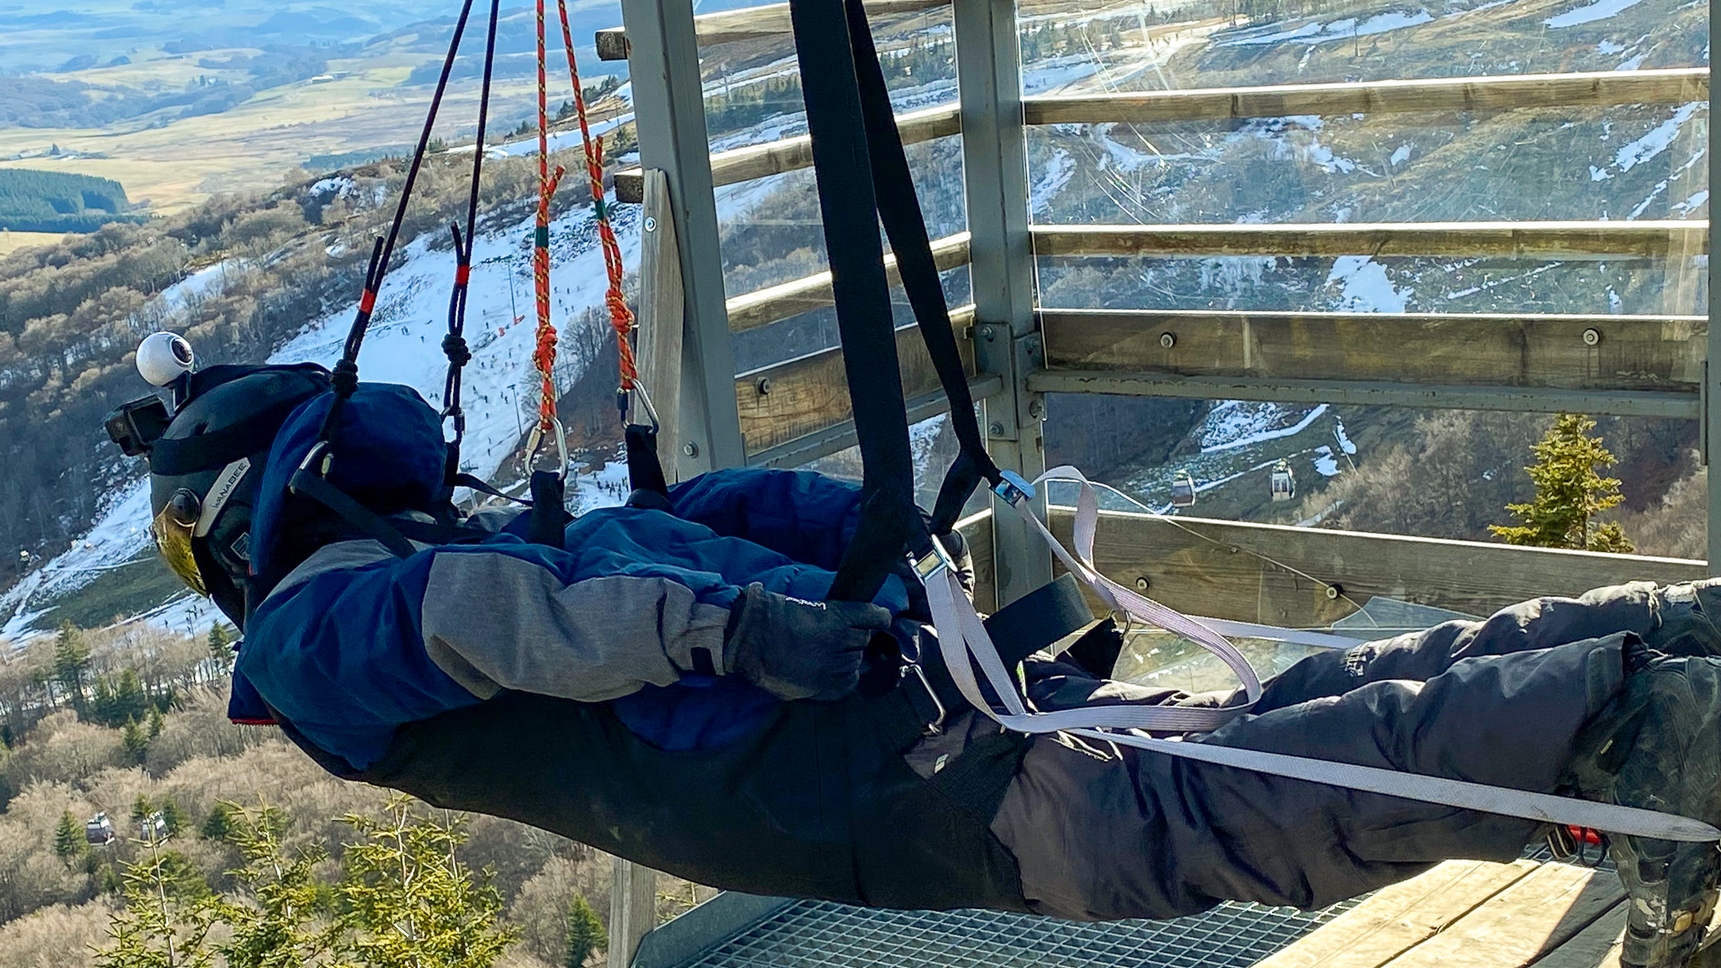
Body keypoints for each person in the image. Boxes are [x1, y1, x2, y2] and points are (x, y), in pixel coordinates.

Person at [113, 359, 1721, 968]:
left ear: (235, 526)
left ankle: (1656, 724)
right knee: (1295, 737)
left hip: (919, 786)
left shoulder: (316, 640)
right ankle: (1643, 671)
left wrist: (733, 614)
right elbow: (547, 596)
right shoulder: (512, 561)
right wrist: (756, 582)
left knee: (1273, 796)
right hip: (944, 732)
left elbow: (467, 624)